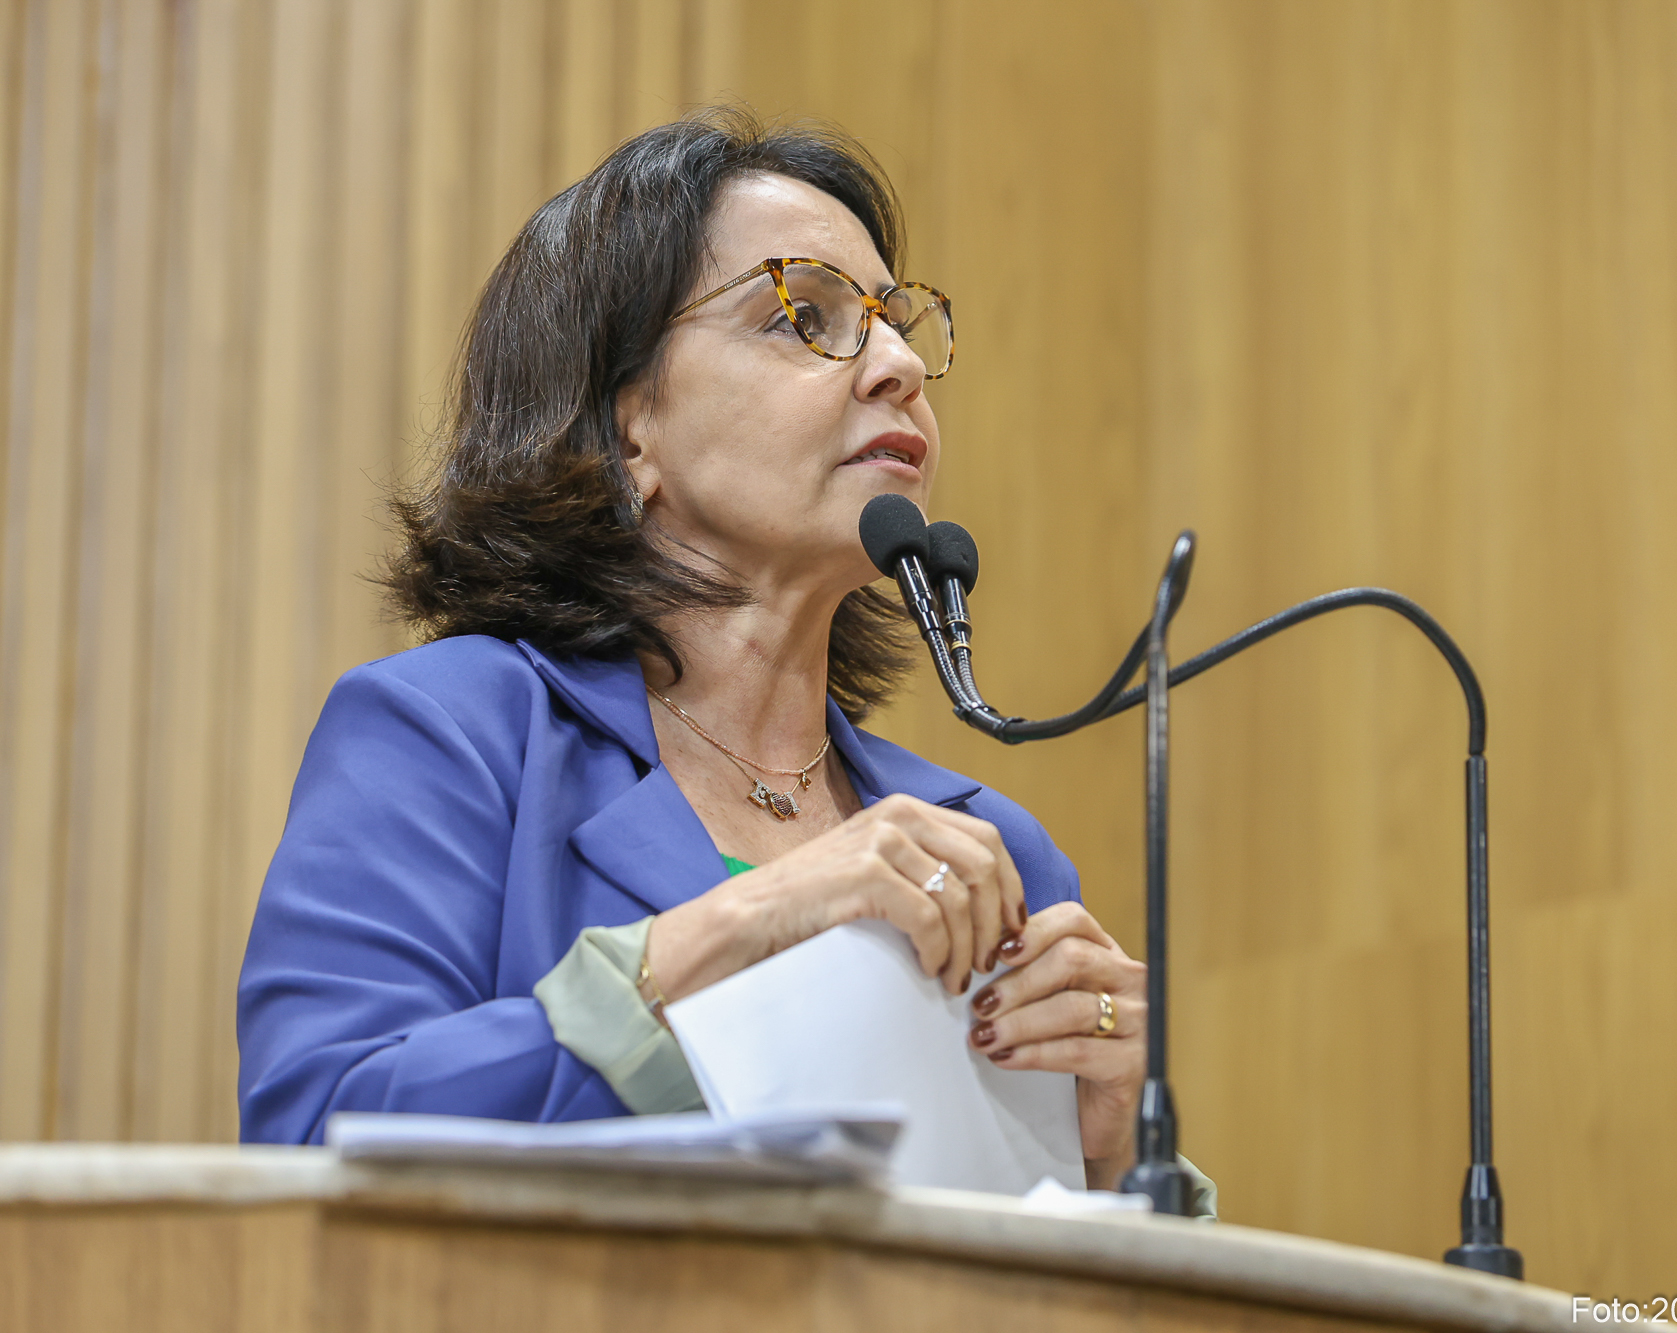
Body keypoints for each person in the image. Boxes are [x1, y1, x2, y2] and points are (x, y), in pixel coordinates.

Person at [236, 110, 1211, 1212]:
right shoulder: (450, 732)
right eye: (803, 316)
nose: (898, 367)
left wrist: (1115, 1152)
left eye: (896, 324)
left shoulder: (993, 850)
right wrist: (747, 925)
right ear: (629, 427)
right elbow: (317, 1137)